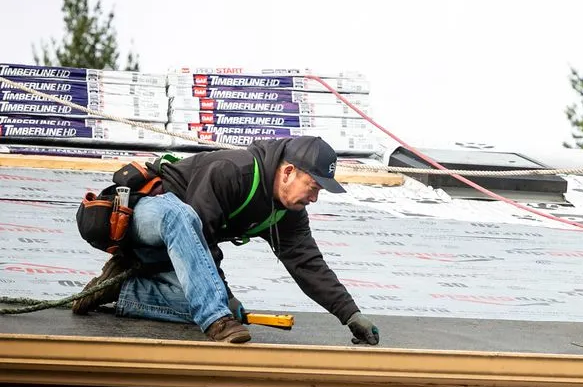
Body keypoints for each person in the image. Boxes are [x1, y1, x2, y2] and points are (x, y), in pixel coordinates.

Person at [72, 136, 381, 346]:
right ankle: (216, 321)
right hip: (146, 216)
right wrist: (220, 299)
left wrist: (350, 314)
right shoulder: (234, 171)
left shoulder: (288, 212)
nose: (314, 197)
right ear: (288, 172)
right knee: (180, 217)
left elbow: (307, 264)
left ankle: (124, 289)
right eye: (313, 187)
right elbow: (199, 231)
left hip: (170, 253)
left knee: (222, 305)